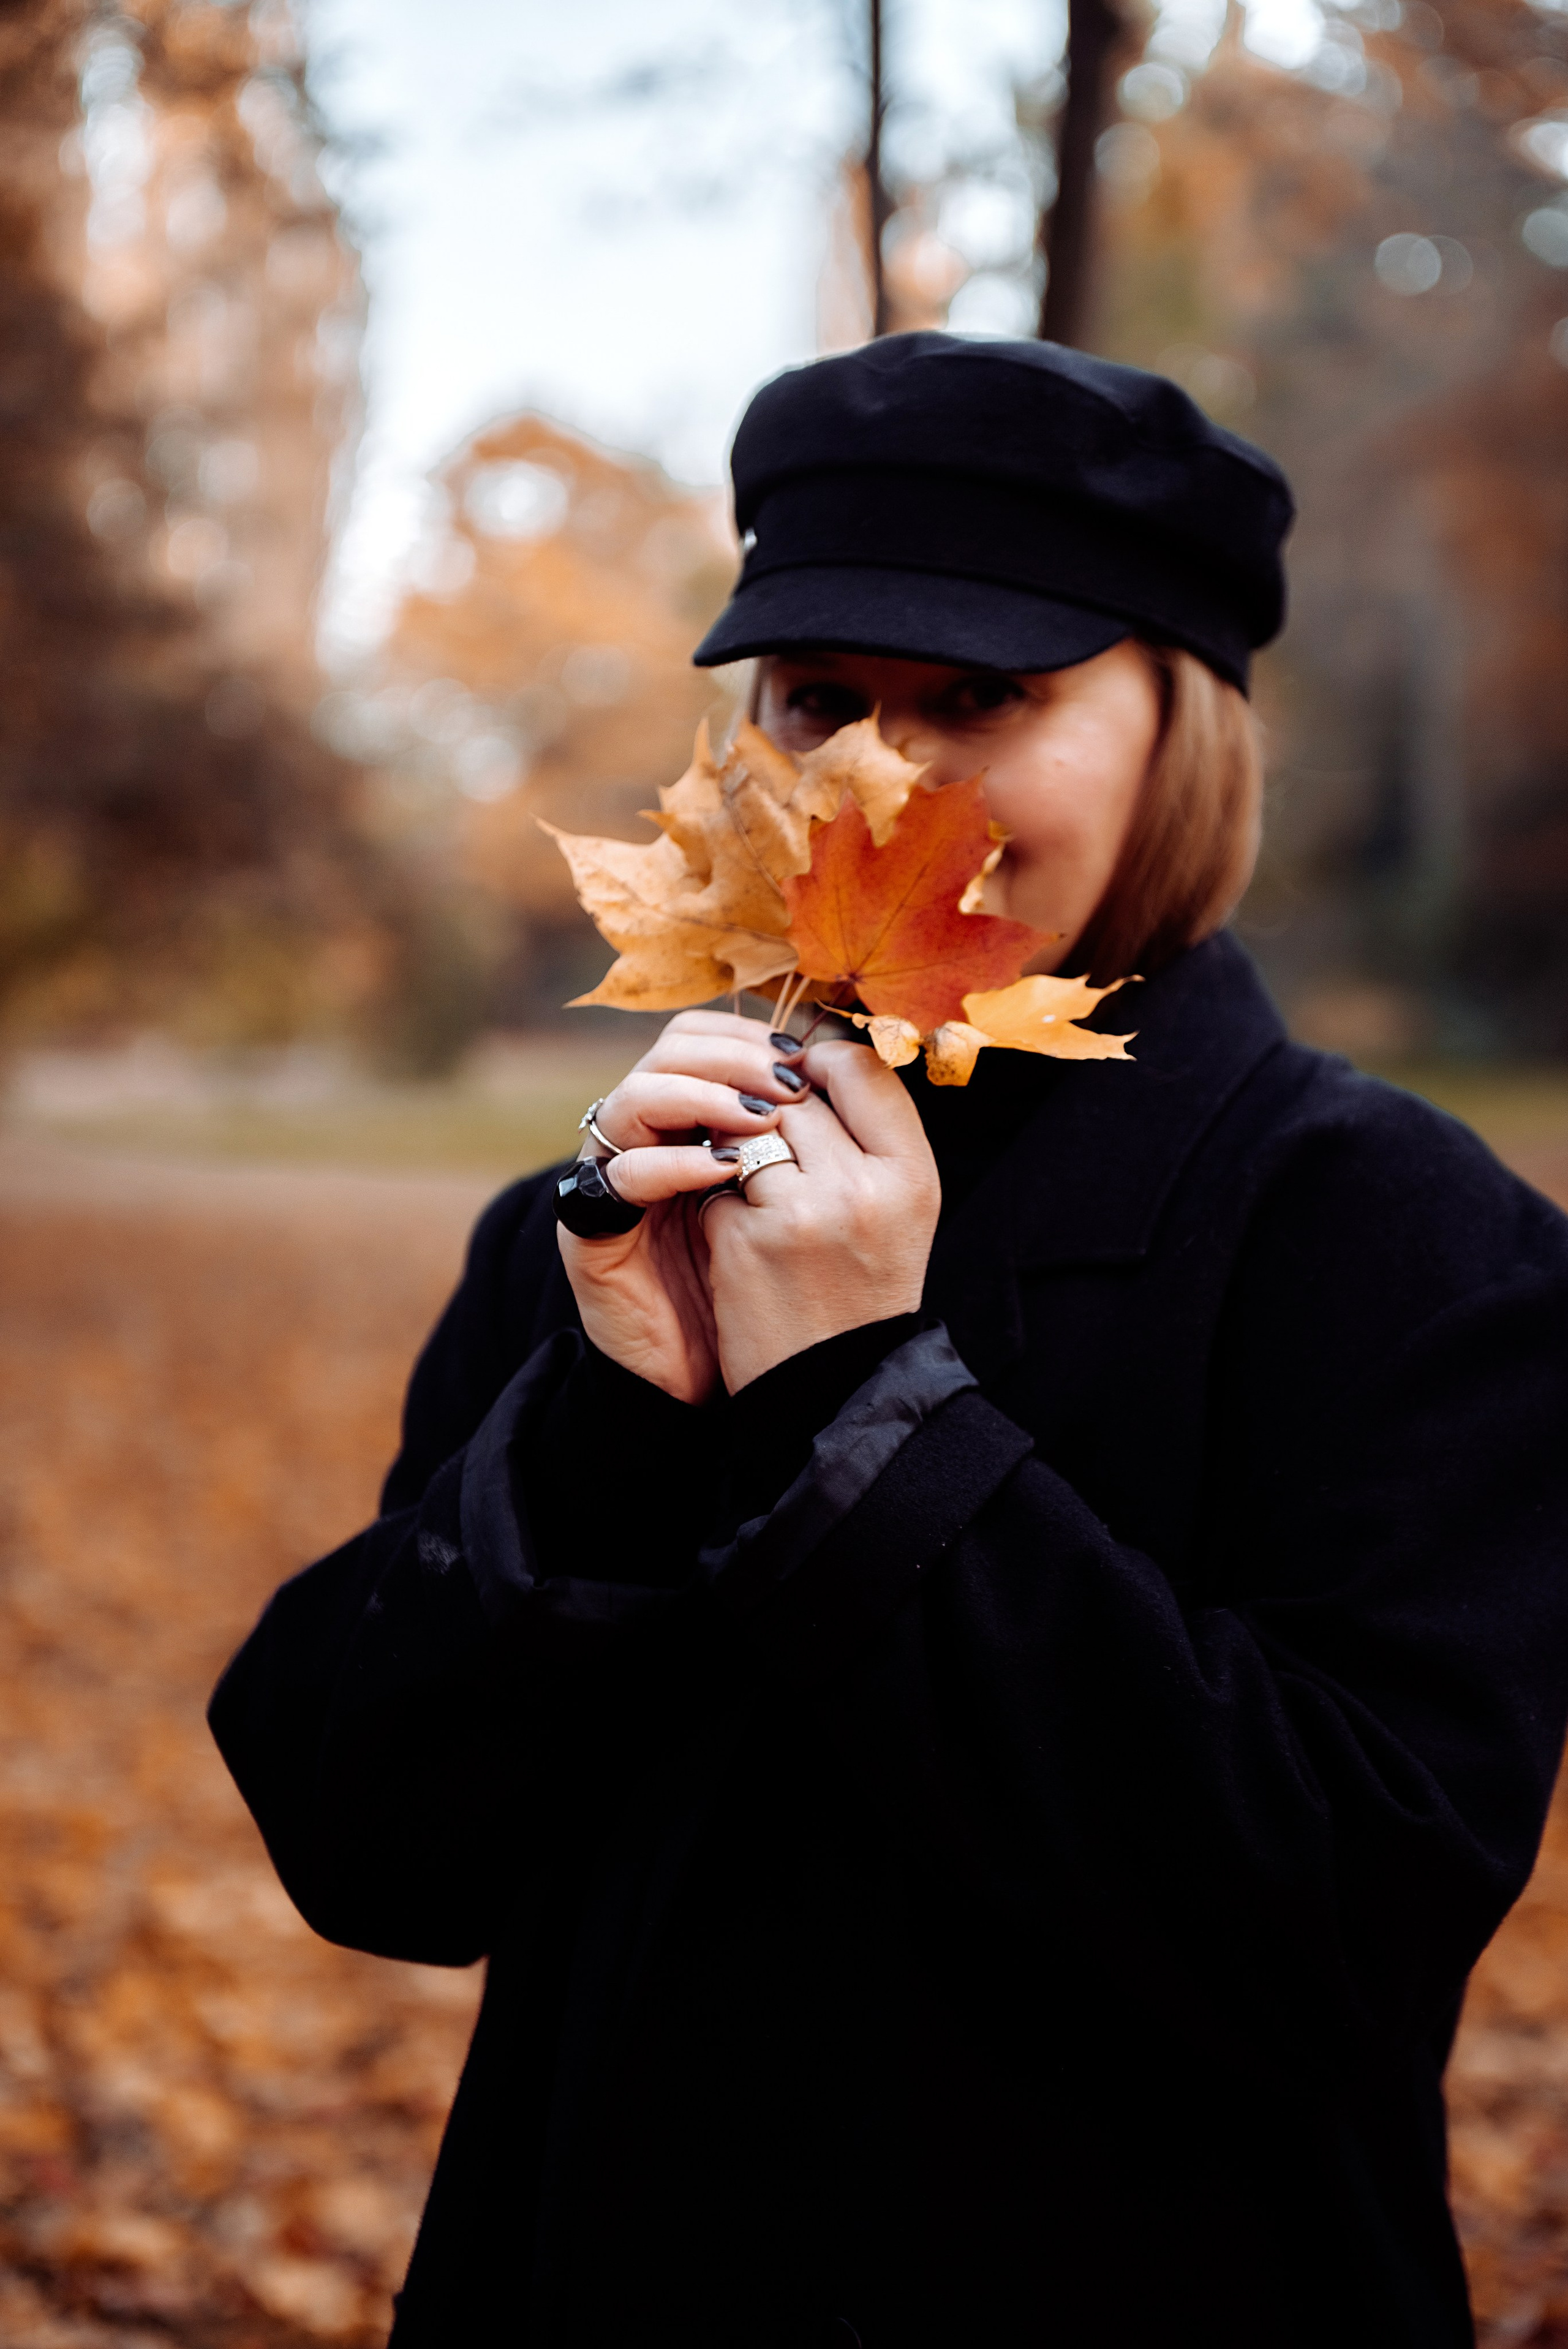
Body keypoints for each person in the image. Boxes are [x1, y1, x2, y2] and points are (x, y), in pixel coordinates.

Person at [210, 334, 1568, 2349]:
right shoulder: (602, 1216)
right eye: (818, 698)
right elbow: (369, 1847)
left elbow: (1333, 1935)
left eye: (980, 699)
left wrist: (866, 1411)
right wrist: (597, 1430)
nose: (880, 774)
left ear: (1178, 725)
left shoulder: (1399, 1238)